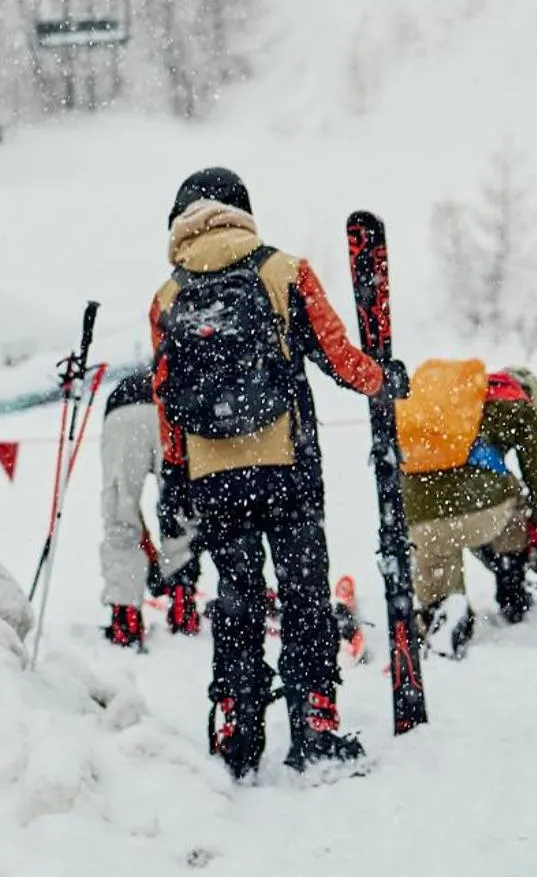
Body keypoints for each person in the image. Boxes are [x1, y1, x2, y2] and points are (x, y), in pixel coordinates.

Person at [149, 167, 408, 780]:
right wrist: (384, 379)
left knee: (237, 598)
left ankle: (238, 728)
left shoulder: (165, 297)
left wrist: (177, 478)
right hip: (286, 467)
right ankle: (314, 725)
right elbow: (340, 358)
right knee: (303, 595)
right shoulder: (284, 270)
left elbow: (166, 401)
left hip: (213, 479)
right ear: (242, 210)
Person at [394, 360, 537, 658]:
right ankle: (512, 588)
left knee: (441, 528)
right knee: (510, 498)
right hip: (483, 513)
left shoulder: (454, 398)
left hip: (419, 518)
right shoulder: (517, 405)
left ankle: (443, 609)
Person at [98, 365, 203, 647]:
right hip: (166, 408)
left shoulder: (131, 384)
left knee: (121, 511)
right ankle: (182, 601)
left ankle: (126, 617)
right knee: (179, 507)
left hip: (120, 413)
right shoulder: (172, 372)